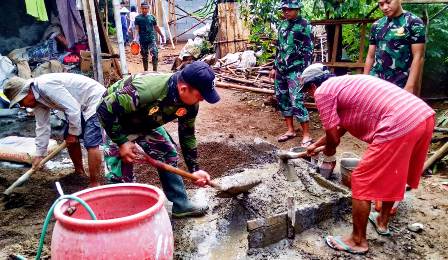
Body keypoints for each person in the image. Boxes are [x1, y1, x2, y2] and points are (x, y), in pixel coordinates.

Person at [301, 64, 434, 254]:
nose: (309, 95)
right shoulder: (344, 84)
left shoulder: (322, 92)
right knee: (395, 172)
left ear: (312, 86)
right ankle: (382, 221)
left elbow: (334, 138)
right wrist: (315, 145)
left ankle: (357, 240)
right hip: (421, 116)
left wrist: (327, 151)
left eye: (307, 90)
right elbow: (341, 128)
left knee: (361, 178)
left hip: (398, 121)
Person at [97, 61, 219, 218]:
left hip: (145, 121)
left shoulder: (191, 104)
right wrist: (122, 141)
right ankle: (124, 216)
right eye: (201, 95)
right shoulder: (145, 90)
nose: (202, 100)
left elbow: (187, 134)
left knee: (167, 153)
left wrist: (195, 170)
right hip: (116, 120)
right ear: (183, 89)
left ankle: (181, 205)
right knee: (120, 171)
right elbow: (103, 109)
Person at [4, 74, 106, 187]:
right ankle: (79, 173)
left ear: (27, 92)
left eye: (21, 101)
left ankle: (94, 183)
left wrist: (73, 134)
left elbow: (72, 109)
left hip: (95, 99)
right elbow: (42, 126)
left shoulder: (45, 86)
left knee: (91, 141)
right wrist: (40, 154)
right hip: (79, 105)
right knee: (69, 137)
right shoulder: (37, 101)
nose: (22, 106)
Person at [269, 0, 314, 146]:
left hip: (296, 71)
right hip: (281, 70)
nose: (286, 12)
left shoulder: (305, 25)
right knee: (282, 98)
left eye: (289, 9)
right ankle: (290, 130)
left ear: (297, 9)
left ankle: (306, 134)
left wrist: (305, 73)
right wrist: (275, 67)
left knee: (297, 100)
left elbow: (308, 51)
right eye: (284, 9)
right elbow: (279, 48)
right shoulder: (282, 25)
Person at [364, 0, 426, 93]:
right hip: (375, 83)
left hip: (400, 84)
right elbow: (370, 56)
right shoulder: (376, 25)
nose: (384, 7)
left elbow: (418, 56)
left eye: (388, 2)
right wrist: (365, 81)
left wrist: (410, 86)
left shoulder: (414, 22)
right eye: (381, 4)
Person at [133, 2, 165, 71]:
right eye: (143, 8)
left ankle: (155, 71)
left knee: (155, 53)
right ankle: (146, 71)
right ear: (141, 9)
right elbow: (136, 29)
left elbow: (156, 27)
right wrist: (135, 38)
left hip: (151, 39)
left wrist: (162, 35)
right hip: (143, 40)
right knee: (144, 56)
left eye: (146, 8)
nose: (144, 10)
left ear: (148, 9)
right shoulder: (138, 18)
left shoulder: (152, 17)